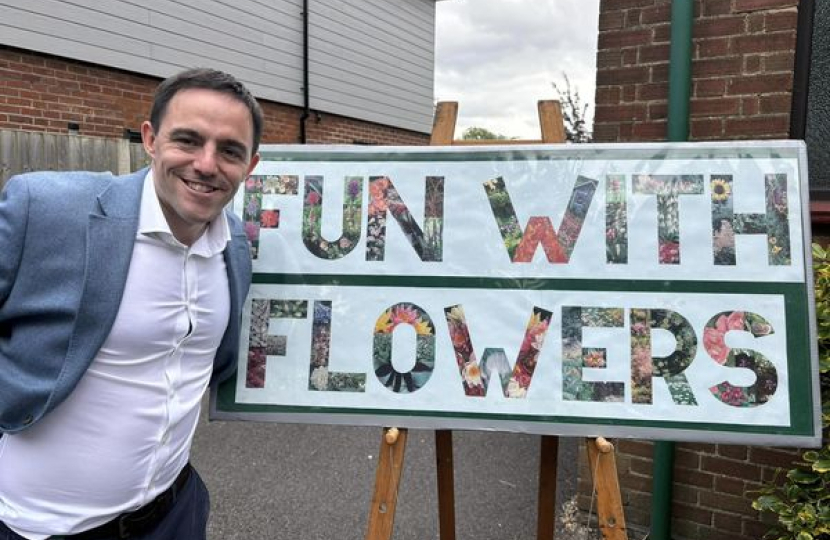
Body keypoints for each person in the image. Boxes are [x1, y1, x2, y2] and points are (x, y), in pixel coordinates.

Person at [0, 67, 262, 540]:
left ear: (251, 165)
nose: (206, 164)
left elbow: (211, 366)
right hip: (34, 525)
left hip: (172, 514)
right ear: (151, 139)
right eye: (188, 140)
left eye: (229, 151)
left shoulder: (234, 250)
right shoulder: (45, 208)